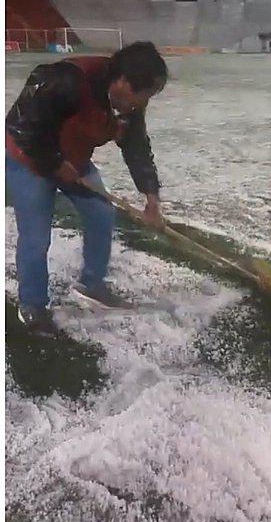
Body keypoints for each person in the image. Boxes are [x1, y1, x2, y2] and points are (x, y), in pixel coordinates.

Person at [6, 41, 167, 334]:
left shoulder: (128, 106)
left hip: (74, 161)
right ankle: (32, 306)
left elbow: (136, 147)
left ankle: (92, 285)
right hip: (29, 160)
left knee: (101, 214)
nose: (141, 105)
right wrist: (53, 162)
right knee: (36, 237)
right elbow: (23, 126)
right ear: (121, 81)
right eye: (141, 95)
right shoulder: (64, 81)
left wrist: (151, 197)